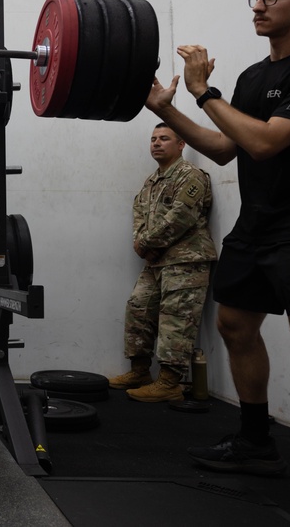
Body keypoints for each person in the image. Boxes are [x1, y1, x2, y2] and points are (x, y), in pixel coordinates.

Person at [146, 0, 290, 475]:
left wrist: (203, 92)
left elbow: (263, 143)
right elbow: (224, 148)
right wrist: (166, 109)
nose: (258, 6)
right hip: (257, 224)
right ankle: (256, 441)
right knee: (236, 324)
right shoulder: (254, 76)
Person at [108, 123, 217, 402]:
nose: (156, 143)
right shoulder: (151, 181)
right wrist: (142, 243)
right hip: (156, 262)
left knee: (176, 318)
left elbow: (181, 217)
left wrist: (146, 244)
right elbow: (139, 215)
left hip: (186, 262)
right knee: (138, 308)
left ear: (181, 145)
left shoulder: (190, 176)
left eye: (164, 138)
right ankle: (140, 371)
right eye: (153, 138)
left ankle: (169, 382)